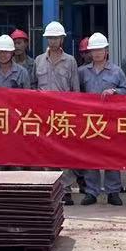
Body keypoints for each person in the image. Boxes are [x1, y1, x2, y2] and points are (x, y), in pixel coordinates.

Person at [77, 32, 126, 204]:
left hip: (110, 121)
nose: (97, 53)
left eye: (100, 49)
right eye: (94, 50)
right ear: (90, 52)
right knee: (91, 156)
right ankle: (92, 191)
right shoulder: (83, 72)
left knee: (111, 155)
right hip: (90, 121)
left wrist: (115, 91)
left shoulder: (116, 71)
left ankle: (113, 191)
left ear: (106, 50)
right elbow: (75, 93)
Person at [33, 20, 81, 202]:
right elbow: (33, 86)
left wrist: (74, 112)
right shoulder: (39, 60)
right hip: (43, 113)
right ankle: (49, 188)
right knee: (45, 151)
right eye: (50, 38)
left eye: (56, 38)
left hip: (63, 114)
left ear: (62, 39)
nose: (53, 41)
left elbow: (75, 89)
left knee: (64, 152)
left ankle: (66, 189)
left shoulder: (70, 61)